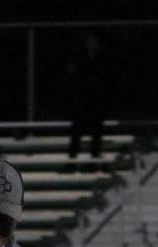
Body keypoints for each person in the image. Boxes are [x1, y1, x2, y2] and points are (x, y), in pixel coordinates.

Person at [66, 32, 106, 167]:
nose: (92, 45)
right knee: (76, 130)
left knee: (96, 131)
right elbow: (75, 76)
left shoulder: (102, 59)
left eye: (95, 42)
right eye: (90, 42)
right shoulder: (80, 58)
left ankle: (94, 160)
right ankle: (72, 159)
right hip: (82, 99)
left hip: (96, 101)